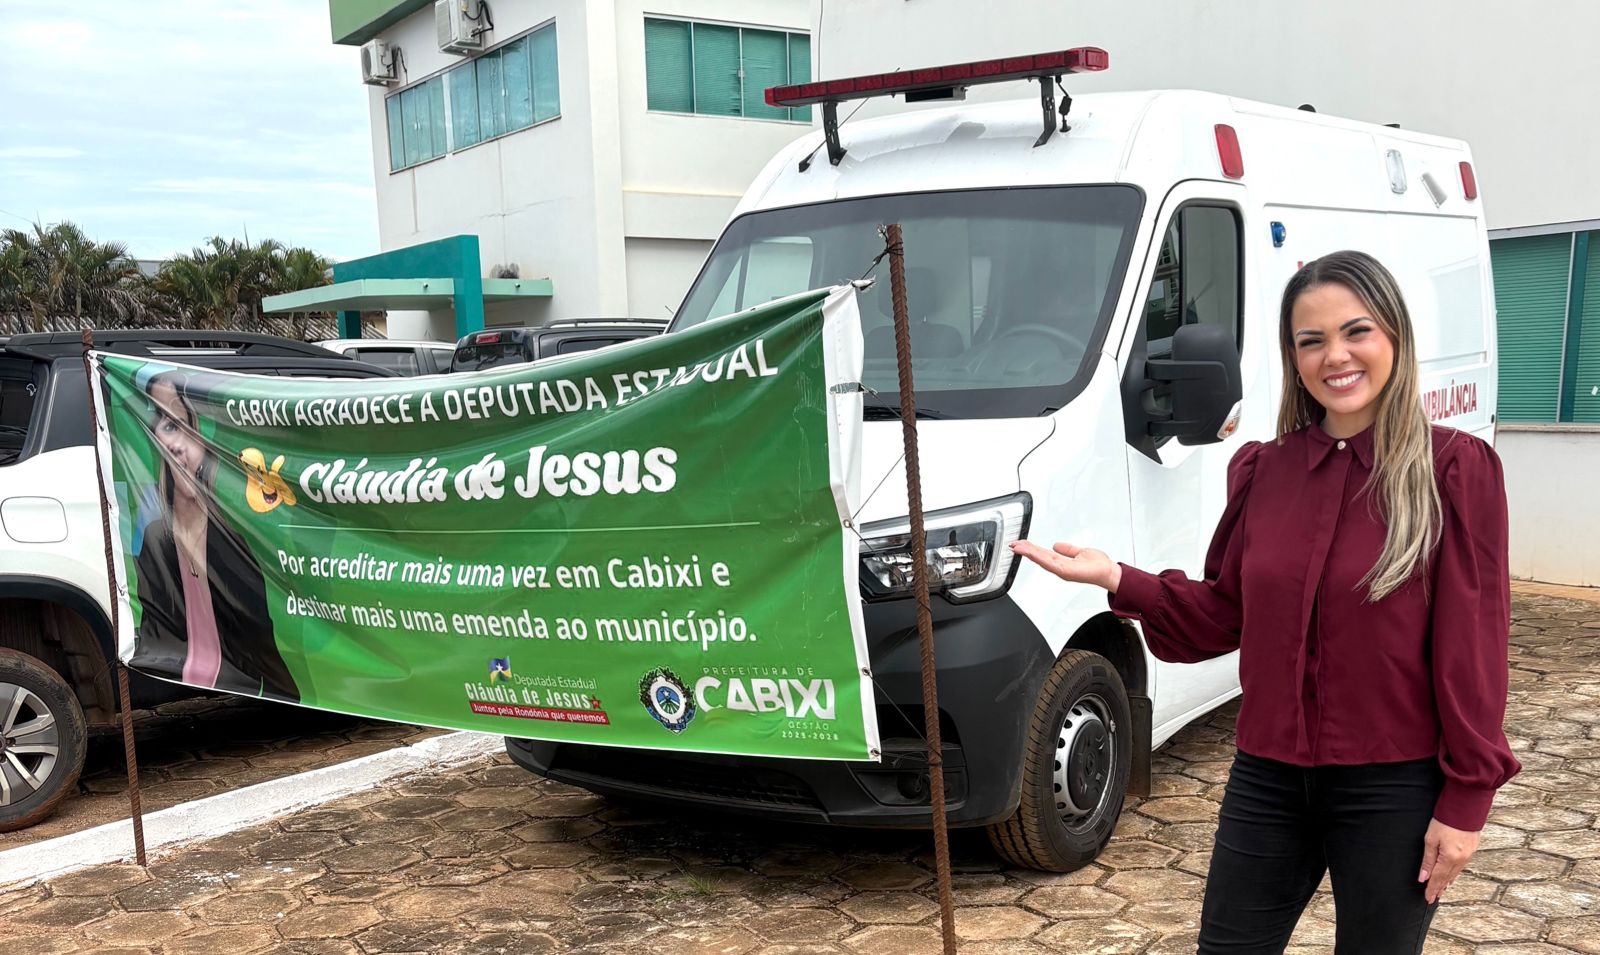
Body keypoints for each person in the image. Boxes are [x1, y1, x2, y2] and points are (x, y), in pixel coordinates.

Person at [1012, 250, 1518, 954]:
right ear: (1293, 356)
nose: (1335, 356)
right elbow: (1225, 613)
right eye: (1311, 340)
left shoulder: (1453, 471)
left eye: (1356, 331)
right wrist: (1118, 579)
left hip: (1393, 787)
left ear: (1395, 336)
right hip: (1269, 780)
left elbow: (1473, 650)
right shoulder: (1266, 470)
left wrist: (1467, 800)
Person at [131, 371, 299, 703]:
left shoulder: (239, 539)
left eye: (192, 427)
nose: (180, 446)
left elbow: (265, 647)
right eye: (168, 427)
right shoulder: (155, 541)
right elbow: (154, 640)